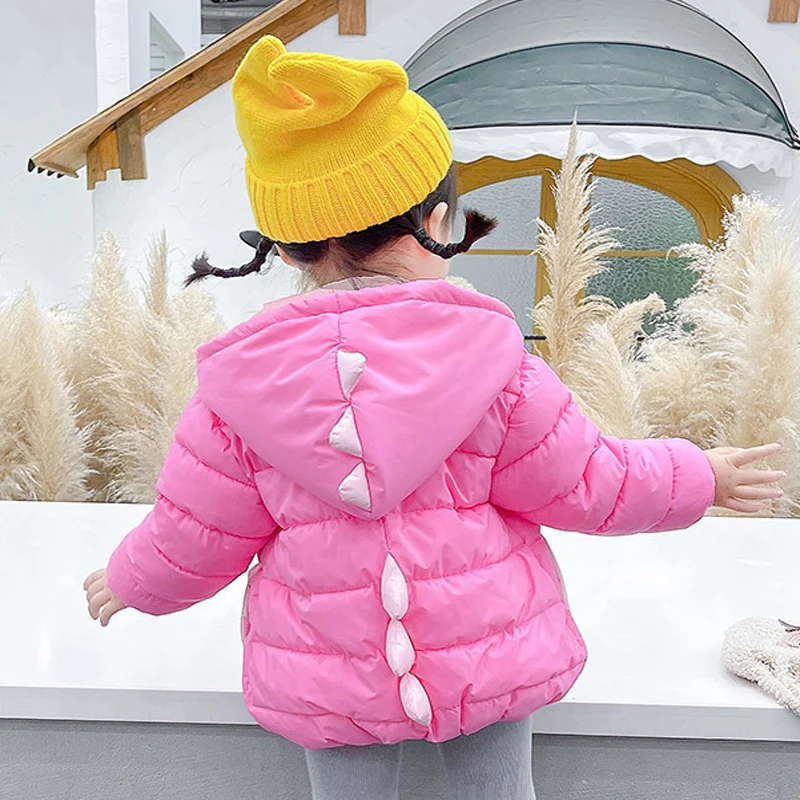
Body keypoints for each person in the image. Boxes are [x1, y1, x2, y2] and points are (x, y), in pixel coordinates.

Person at [84, 36, 784, 800]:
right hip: (487, 648)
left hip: (329, 670)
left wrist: (129, 581)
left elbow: (192, 535)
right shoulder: (495, 365)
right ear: (440, 221)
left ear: (284, 252)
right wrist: (698, 476)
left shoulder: (238, 390)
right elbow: (592, 481)